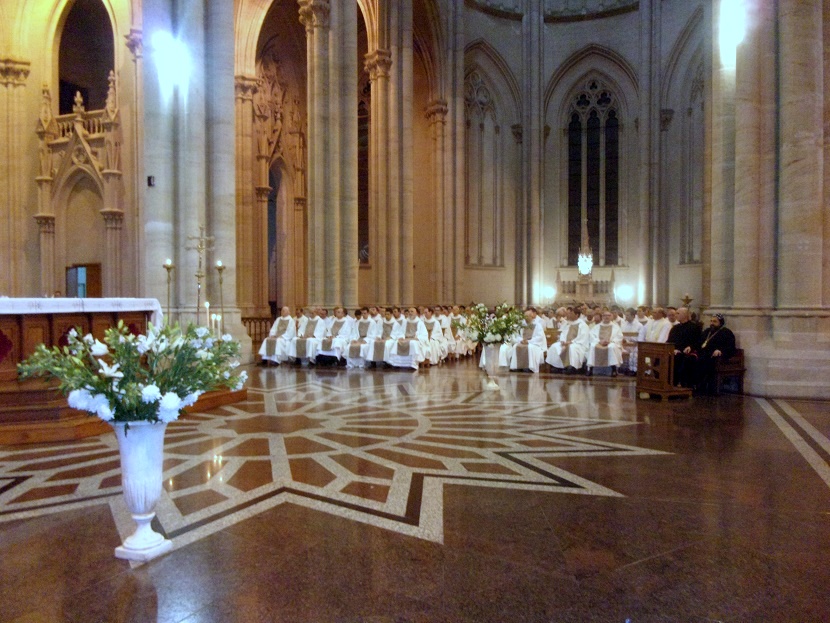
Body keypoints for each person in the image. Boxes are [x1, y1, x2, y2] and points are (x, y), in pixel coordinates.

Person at [694, 313, 736, 395]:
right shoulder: (707, 331)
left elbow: (730, 347)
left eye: (715, 321)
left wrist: (720, 351)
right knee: (692, 360)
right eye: (711, 321)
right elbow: (699, 343)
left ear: (721, 322)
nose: (712, 323)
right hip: (705, 354)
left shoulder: (726, 332)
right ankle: (696, 386)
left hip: (717, 357)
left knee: (706, 362)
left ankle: (709, 388)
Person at [546, 306, 590, 374]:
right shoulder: (567, 323)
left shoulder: (582, 325)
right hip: (565, 342)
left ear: (577, 315)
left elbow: (582, 337)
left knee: (571, 348)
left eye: (571, 314)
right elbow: (563, 333)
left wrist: (571, 342)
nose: (569, 315)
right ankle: (557, 366)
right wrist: (562, 341)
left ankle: (571, 367)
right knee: (554, 346)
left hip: (577, 344)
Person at [666, 307, 702, 388]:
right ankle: (666, 383)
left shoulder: (694, 327)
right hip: (674, 351)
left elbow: (698, 341)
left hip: (687, 352)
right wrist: (673, 349)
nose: (676, 315)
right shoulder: (675, 328)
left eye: (678, 313)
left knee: (681, 360)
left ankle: (681, 384)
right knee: (660, 359)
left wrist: (690, 347)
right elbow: (669, 341)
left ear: (685, 315)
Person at [509, 307, 547, 373]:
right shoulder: (521, 325)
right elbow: (517, 335)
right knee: (516, 346)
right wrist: (521, 340)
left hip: (533, 344)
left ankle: (529, 367)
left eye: (527, 316)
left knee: (529, 348)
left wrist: (529, 341)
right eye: (525, 316)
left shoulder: (537, 325)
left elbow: (539, 337)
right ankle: (516, 366)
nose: (526, 318)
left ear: (531, 316)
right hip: (522, 342)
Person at [586, 309, 623, 376]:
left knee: (611, 347)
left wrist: (610, 341)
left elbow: (619, 337)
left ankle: (614, 369)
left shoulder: (615, 327)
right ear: (602, 317)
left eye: (608, 315)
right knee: (592, 346)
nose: (606, 317)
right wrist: (599, 341)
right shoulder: (597, 326)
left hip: (611, 343)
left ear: (611, 317)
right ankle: (590, 369)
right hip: (599, 342)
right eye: (605, 315)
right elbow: (591, 336)